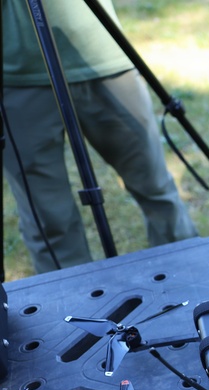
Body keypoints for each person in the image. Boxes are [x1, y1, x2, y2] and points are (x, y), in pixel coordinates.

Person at [2, 0, 198, 275]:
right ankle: (72, 297)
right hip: (16, 72)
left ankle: (188, 278)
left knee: (155, 187)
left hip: (101, 53)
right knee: (47, 216)